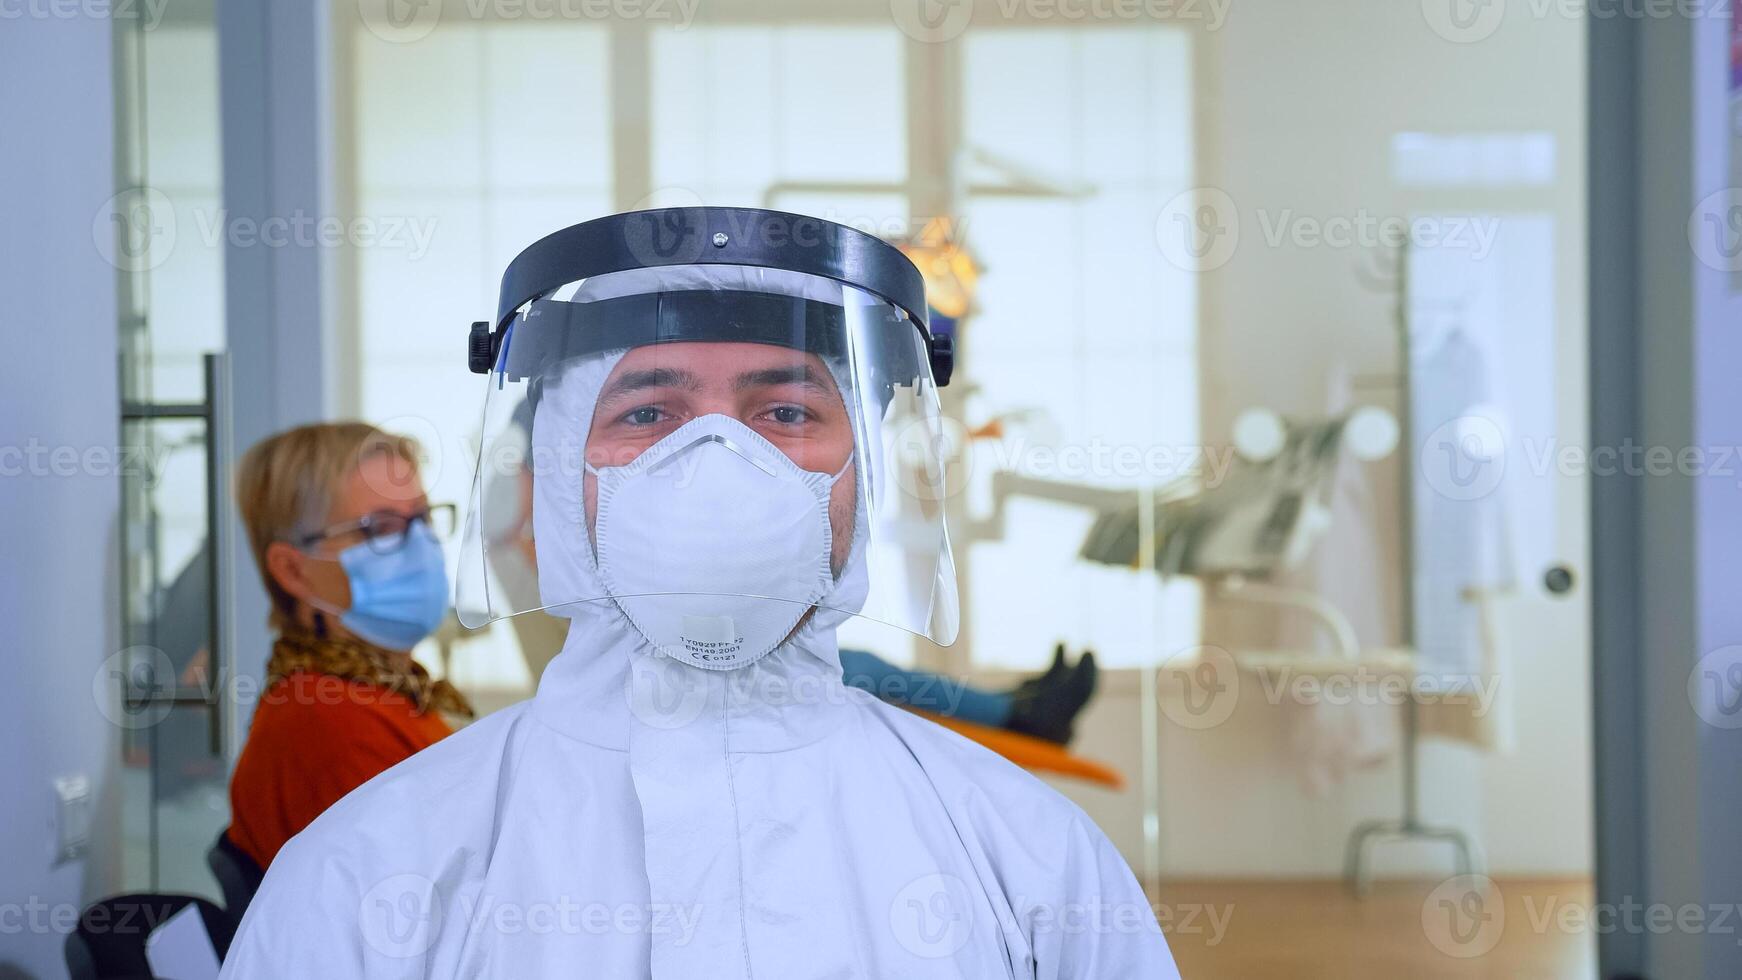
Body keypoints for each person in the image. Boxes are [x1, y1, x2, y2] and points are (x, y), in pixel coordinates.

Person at [221, 208, 1178, 977]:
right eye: (648, 411)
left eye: (787, 410)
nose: (722, 460)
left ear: (862, 474)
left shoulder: (1038, 864)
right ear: (561, 471)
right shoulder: (367, 873)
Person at [488, 398, 1103, 744]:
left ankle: (1016, 703)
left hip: (674, 662)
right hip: (649, 682)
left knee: (848, 664)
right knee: (851, 669)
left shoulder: (578, 539)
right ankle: (1019, 714)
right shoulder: (549, 556)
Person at [224, 422, 471, 872]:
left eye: (423, 518)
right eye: (379, 530)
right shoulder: (327, 722)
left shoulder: (390, 695)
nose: (419, 546)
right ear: (293, 571)